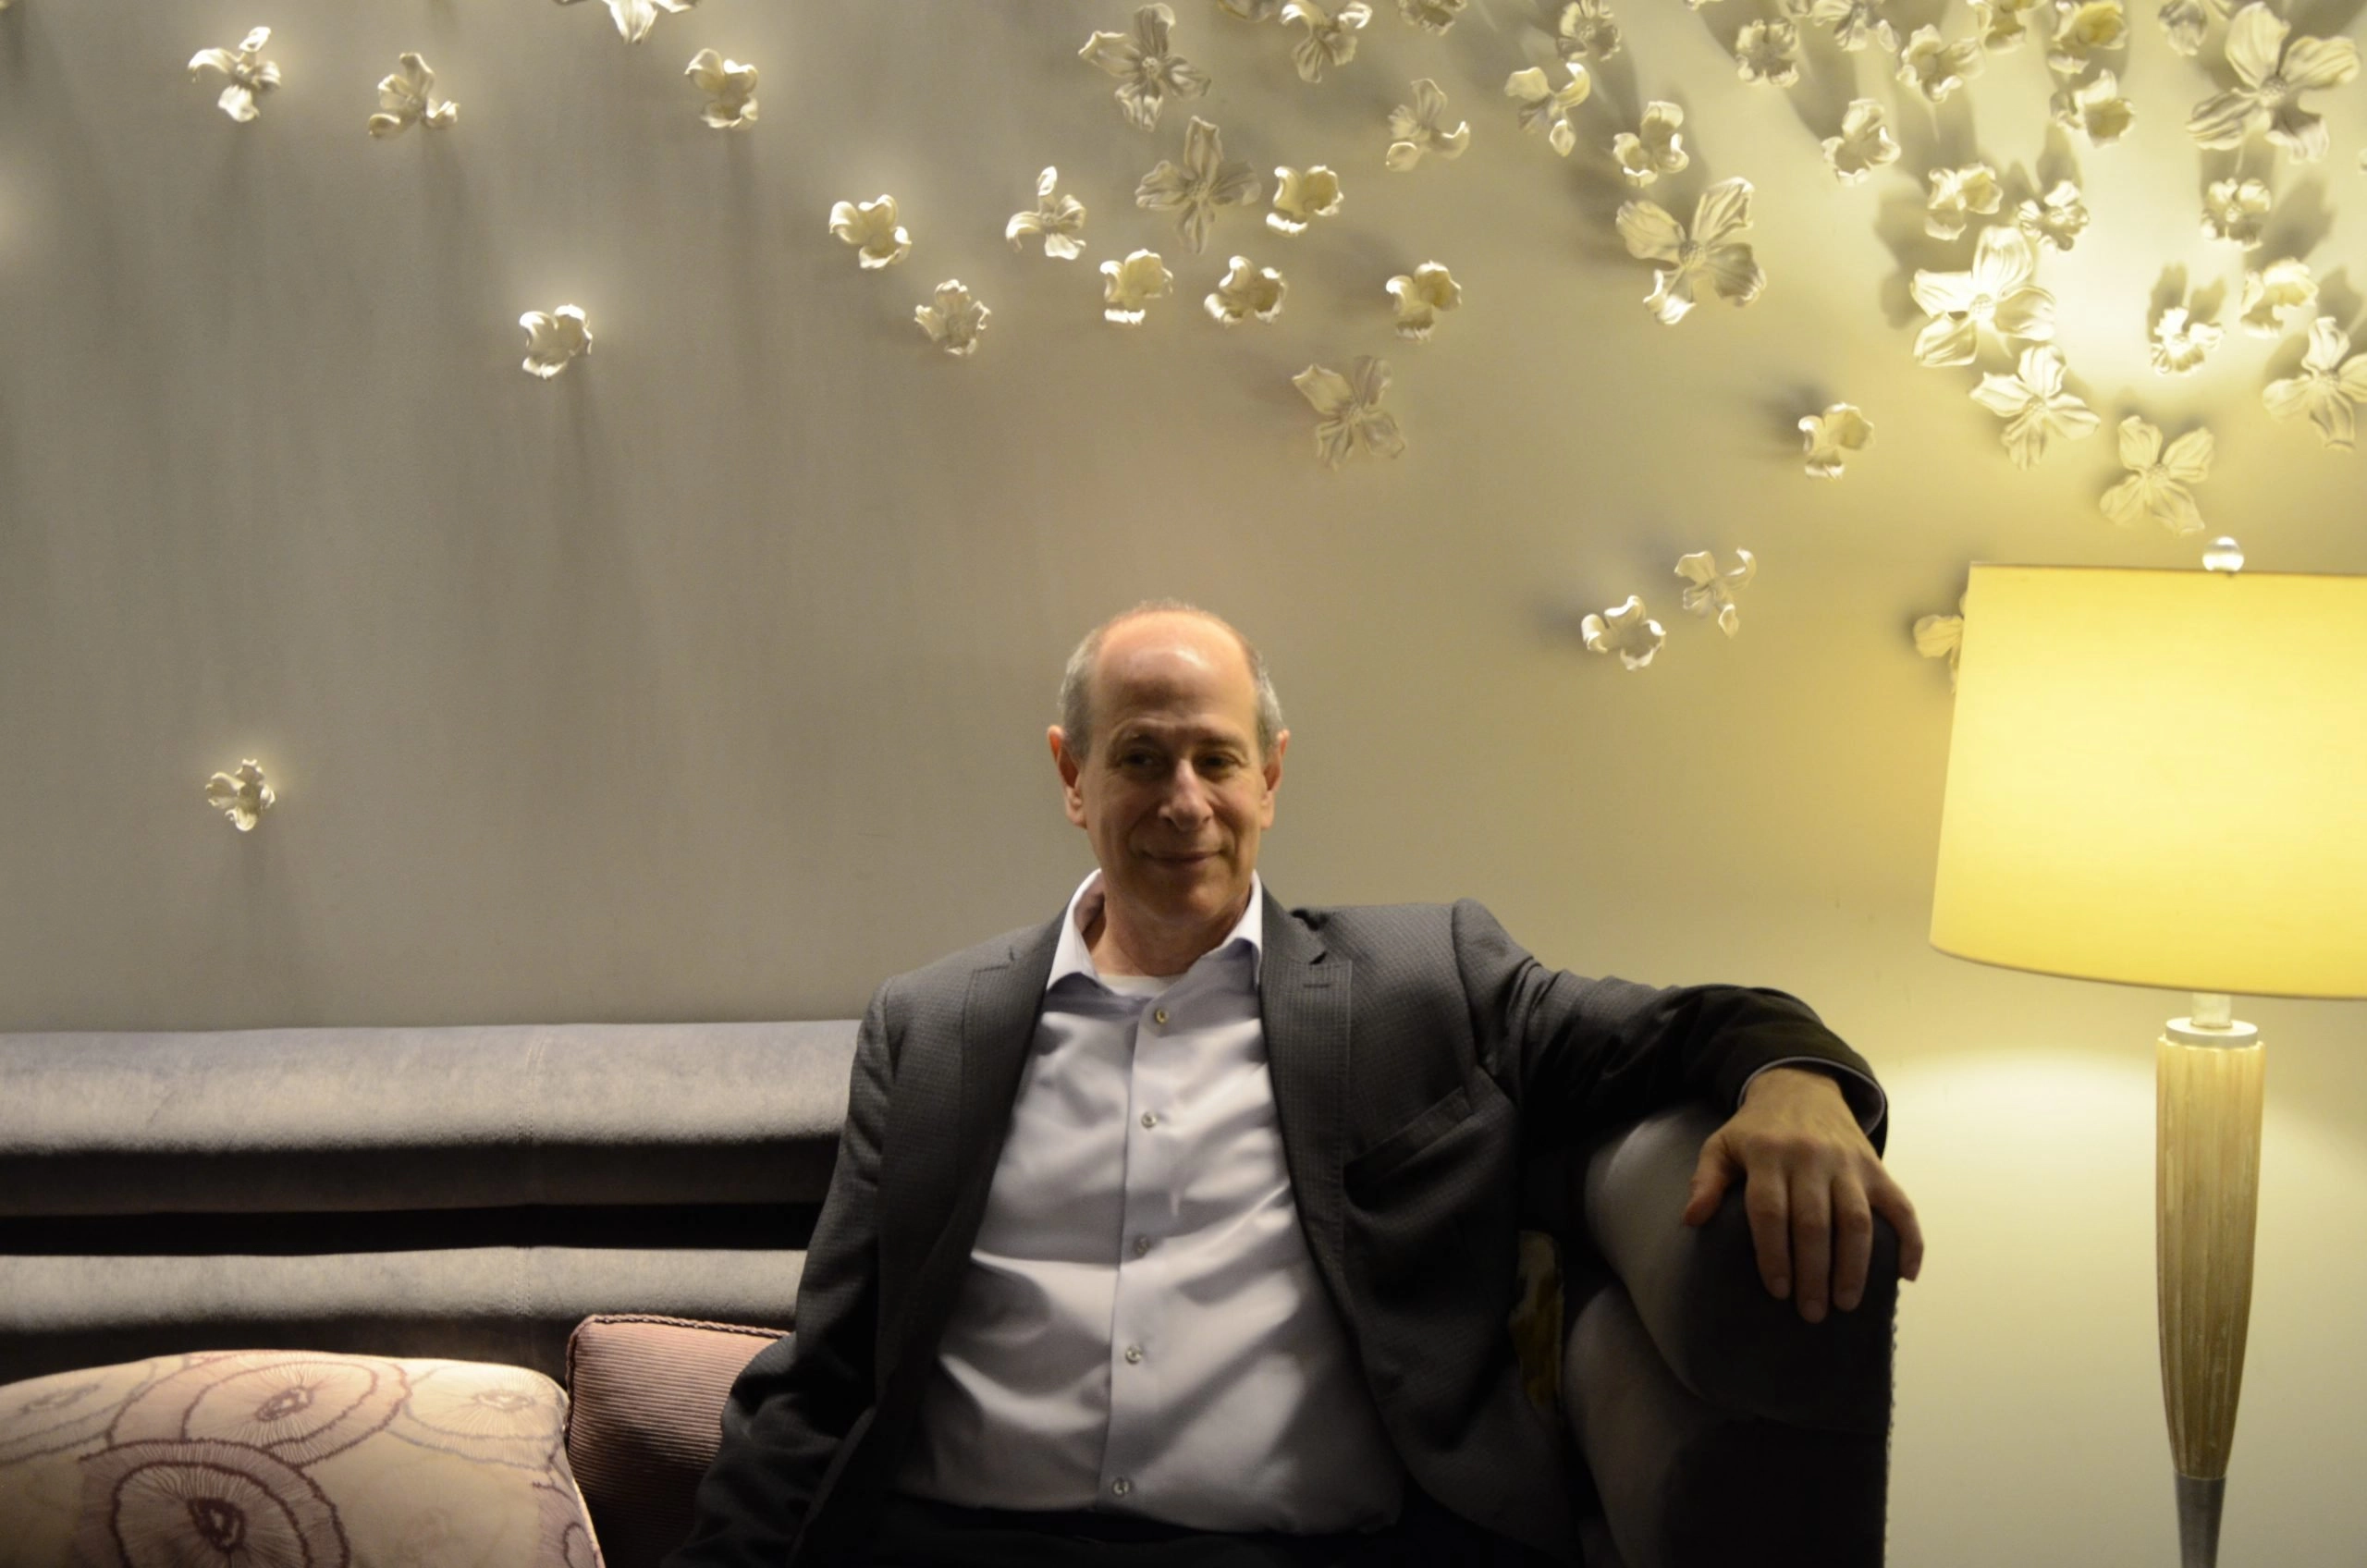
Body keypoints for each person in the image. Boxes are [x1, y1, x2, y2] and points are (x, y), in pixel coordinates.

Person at [666, 601, 1925, 1568]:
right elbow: (823, 1379)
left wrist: (1797, 1083)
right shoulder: (930, 1027)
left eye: (1216, 760)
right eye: (1141, 759)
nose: (1183, 803)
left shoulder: (1430, 979)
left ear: (1273, 774)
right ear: (1071, 775)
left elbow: (1686, 1026)